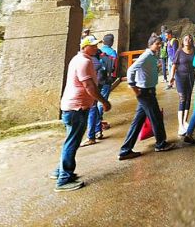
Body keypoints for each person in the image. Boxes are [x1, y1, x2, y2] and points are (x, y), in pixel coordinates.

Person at [52, 36, 112, 192]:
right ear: (85, 47)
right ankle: (64, 179)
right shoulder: (85, 62)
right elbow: (89, 86)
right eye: (92, 46)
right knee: (72, 142)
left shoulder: (78, 59)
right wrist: (103, 101)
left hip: (72, 106)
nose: (96, 48)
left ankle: (60, 171)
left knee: (70, 140)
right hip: (76, 108)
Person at [118, 36, 175, 161]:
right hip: (145, 93)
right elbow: (131, 70)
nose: (159, 46)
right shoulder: (146, 55)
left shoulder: (152, 56)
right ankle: (161, 144)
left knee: (138, 122)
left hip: (148, 92)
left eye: (160, 44)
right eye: (157, 44)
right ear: (151, 44)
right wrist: (133, 87)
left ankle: (125, 150)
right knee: (156, 118)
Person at [169, 34, 195, 136]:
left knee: (188, 98)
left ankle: (185, 121)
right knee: (182, 99)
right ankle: (180, 125)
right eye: (185, 39)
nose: (187, 40)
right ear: (183, 41)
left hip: (191, 76)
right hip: (180, 77)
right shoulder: (179, 51)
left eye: (189, 39)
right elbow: (174, 65)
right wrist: (171, 77)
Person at [98, 34, 118, 131]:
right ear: (111, 42)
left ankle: (98, 121)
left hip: (98, 79)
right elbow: (113, 67)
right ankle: (99, 121)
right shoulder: (112, 52)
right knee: (103, 99)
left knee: (97, 99)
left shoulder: (99, 51)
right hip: (107, 79)